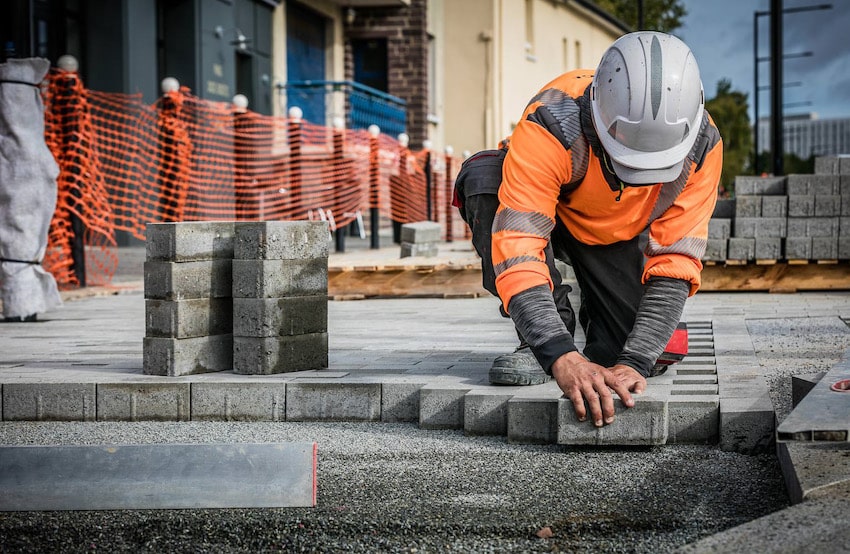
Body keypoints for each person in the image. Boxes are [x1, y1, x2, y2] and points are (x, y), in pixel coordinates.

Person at [453, 31, 722, 428]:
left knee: (627, 352)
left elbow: (675, 261)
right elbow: (518, 247)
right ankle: (545, 333)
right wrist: (560, 355)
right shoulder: (551, 119)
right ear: (599, 117)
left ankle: (599, 337)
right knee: (483, 176)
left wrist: (636, 360)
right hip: (547, 215)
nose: (636, 180)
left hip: (616, 234)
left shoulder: (701, 146)